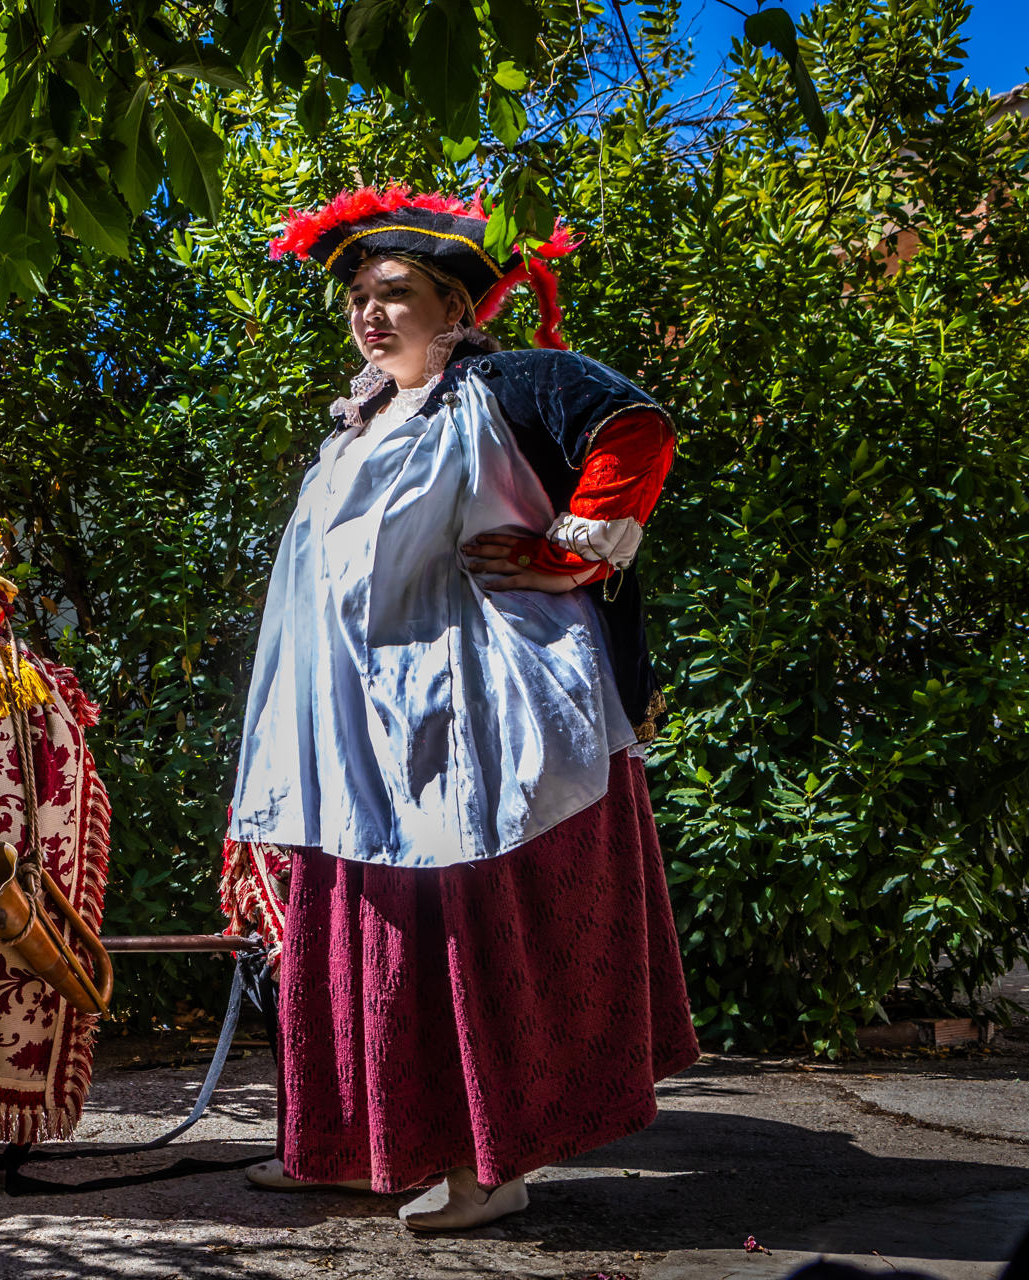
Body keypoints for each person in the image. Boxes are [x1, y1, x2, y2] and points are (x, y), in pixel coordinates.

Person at [221, 187, 701, 1232]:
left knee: (464, 937)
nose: (370, 313)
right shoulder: (362, 419)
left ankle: (493, 1166)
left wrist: (570, 551)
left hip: (479, 714)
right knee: (361, 932)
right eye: (358, 296)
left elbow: (635, 428)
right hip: (358, 732)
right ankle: (357, 1150)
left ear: (456, 306)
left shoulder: (507, 386)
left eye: (396, 294)